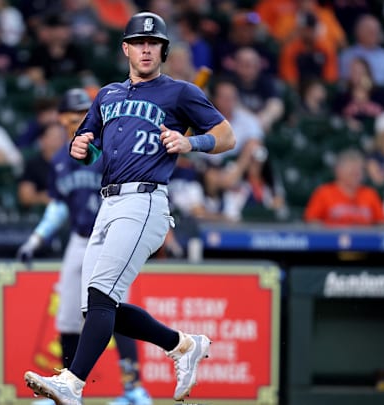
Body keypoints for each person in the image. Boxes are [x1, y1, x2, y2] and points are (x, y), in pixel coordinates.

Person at [24, 12, 236, 404]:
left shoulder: (180, 92)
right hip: (107, 203)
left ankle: (72, 384)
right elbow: (90, 145)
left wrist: (192, 144)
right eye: (138, 42)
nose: (145, 49)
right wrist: (80, 148)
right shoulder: (107, 95)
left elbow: (226, 136)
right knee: (97, 307)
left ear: (163, 50)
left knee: (102, 294)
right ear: (125, 48)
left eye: (153, 43)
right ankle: (182, 345)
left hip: (145, 200)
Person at [17, 88, 153, 405]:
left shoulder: (111, 149)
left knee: (115, 312)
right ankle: (65, 391)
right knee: (66, 317)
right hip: (79, 240)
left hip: (112, 239)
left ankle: (135, 390)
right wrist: (36, 238)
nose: (76, 121)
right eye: (71, 115)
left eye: (82, 114)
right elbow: (59, 206)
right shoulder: (62, 158)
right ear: (61, 118)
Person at [304, 149, 384, 226]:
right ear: (338, 171)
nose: (356, 175)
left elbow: (381, 223)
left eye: (359, 171)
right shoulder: (324, 193)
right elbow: (311, 221)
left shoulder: (370, 194)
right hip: (331, 239)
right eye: (352, 172)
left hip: (364, 239)